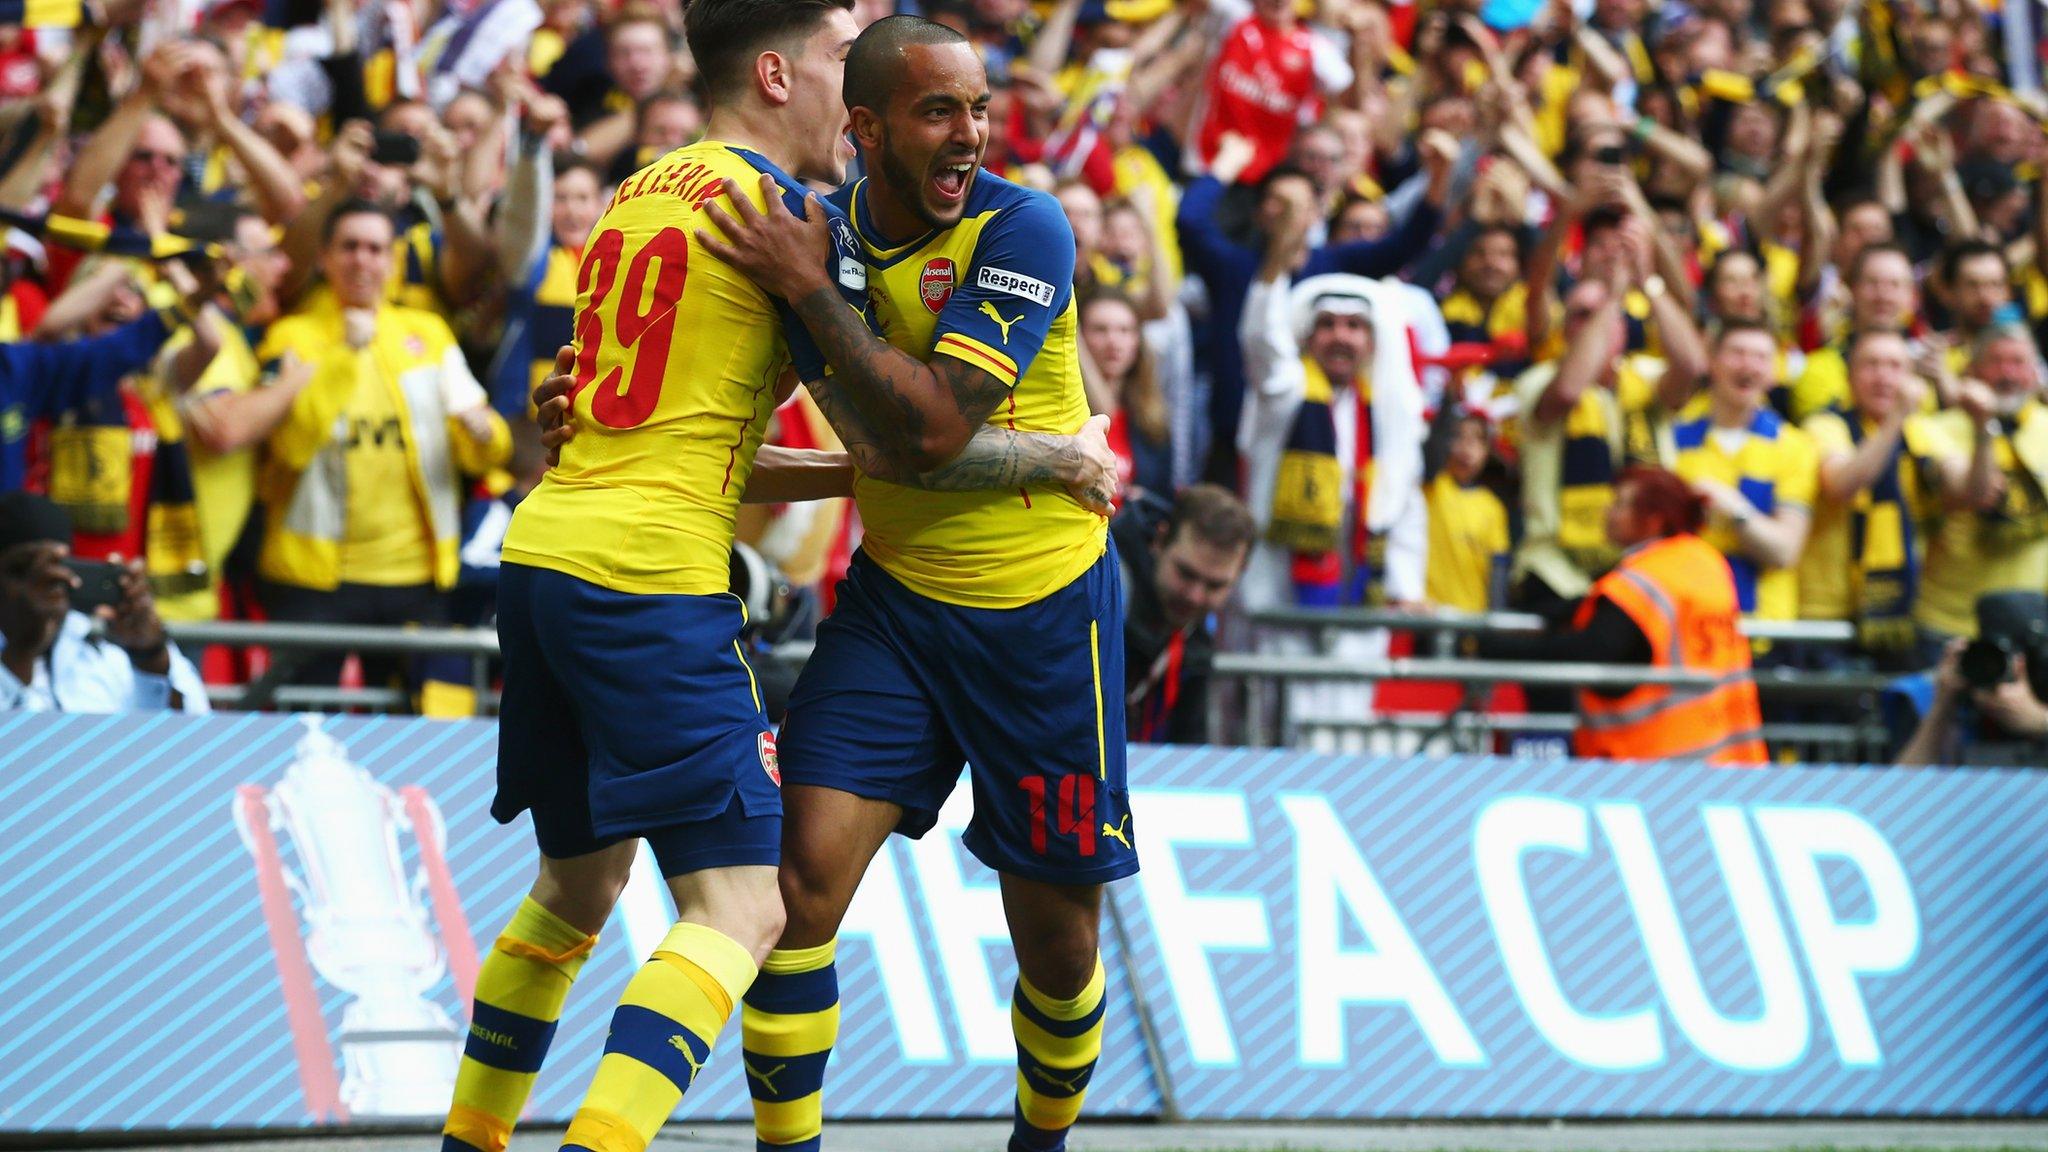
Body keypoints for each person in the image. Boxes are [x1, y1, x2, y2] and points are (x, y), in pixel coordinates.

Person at [687, 17, 1134, 1152]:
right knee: (797, 893)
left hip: (1045, 619)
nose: (971, 135)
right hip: (893, 611)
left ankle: (1039, 1144)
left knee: (1056, 944)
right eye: (940, 112)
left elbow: (930, 430)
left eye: (979, 109)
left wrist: (811, 296)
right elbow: (743, 415)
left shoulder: (1023, 226)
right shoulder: (819, 237)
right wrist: (603, 418)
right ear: (866, 127)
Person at [436, 5, 867, 1152]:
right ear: (774, 74)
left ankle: (466, 1143)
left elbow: (678, 438)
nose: (856, 85)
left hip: (547, 558)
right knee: (745, 906)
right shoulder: (788, 220)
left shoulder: (643, 187)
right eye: (840, 60)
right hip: (647, 583)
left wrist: (844, 471)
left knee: (574, 893)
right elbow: (906, 410)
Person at [250, 201, 511, 712]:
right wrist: (346, 355)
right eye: (349, 246)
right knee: (304, 733)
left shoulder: (428, 334)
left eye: (375, 248)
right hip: (315, 580)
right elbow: (289, 447)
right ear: (324, 257)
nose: (362, 261)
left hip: (415, 579)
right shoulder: (292, 336)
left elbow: (484, 451)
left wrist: (484, 434)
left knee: (427, 733)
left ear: (392, 261)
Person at [1482, 467, 1767, 765]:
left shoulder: (1643, 579)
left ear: (1653, 520)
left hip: (1654, 764)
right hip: (1726, 756)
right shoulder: (1704, 559)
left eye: (1619, 503)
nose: (1608, 512)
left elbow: (1595, 646)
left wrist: (1497, 650)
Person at [1650, 319, 1817, 626]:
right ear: (1711, 361)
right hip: (1684, 621)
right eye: (1737, 353)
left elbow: (1783, 551)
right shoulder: (1670, 439)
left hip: (1764, 629)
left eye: (1761, 357)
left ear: (1774, 372)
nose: (1749, 366)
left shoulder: (1795, 446)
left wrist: (1735, 509)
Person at [1795, 331, 1943, 665]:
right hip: (1828, 611)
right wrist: (1895, 419)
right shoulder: (1825, 425)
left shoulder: (1925, 431)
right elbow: (1843, 484)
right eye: (1871, 365)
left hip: (1904, 611)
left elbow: (1962, 495)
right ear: (1849, 377)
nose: (1883, 376)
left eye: (1895, 366)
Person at [0, 491, 208, 712]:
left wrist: (151, 653)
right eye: (23, 571)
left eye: (54, 568)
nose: (42, 582)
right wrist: (21, 653)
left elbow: (193, 731)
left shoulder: (102, 656)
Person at [1910, 324, 2048, 653]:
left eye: (2018, 362)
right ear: (1971, 370)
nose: (2008, 374)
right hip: (1949, 624)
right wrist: (1983, 425)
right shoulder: (1934, 428)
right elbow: (1976, 494)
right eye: (1996, 361)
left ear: (2035, 372)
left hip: (2031, 621)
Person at [1112, 483, 1255, 744]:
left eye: (1215, 585)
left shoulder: (1201, 627)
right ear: (1160, 540)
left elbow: (1190, 741)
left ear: (1239, 575)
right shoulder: (1105, 587)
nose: (1194, 595)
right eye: (1185, 573)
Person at [1424, 411, 1510, 614]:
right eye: (1458, 436)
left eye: (1477, 439)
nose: (1467, 447)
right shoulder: (1431, 487)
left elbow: (1497, 574)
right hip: (1426, 617)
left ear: (1488, 451)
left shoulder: (1492, 508)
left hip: (1471, 622)